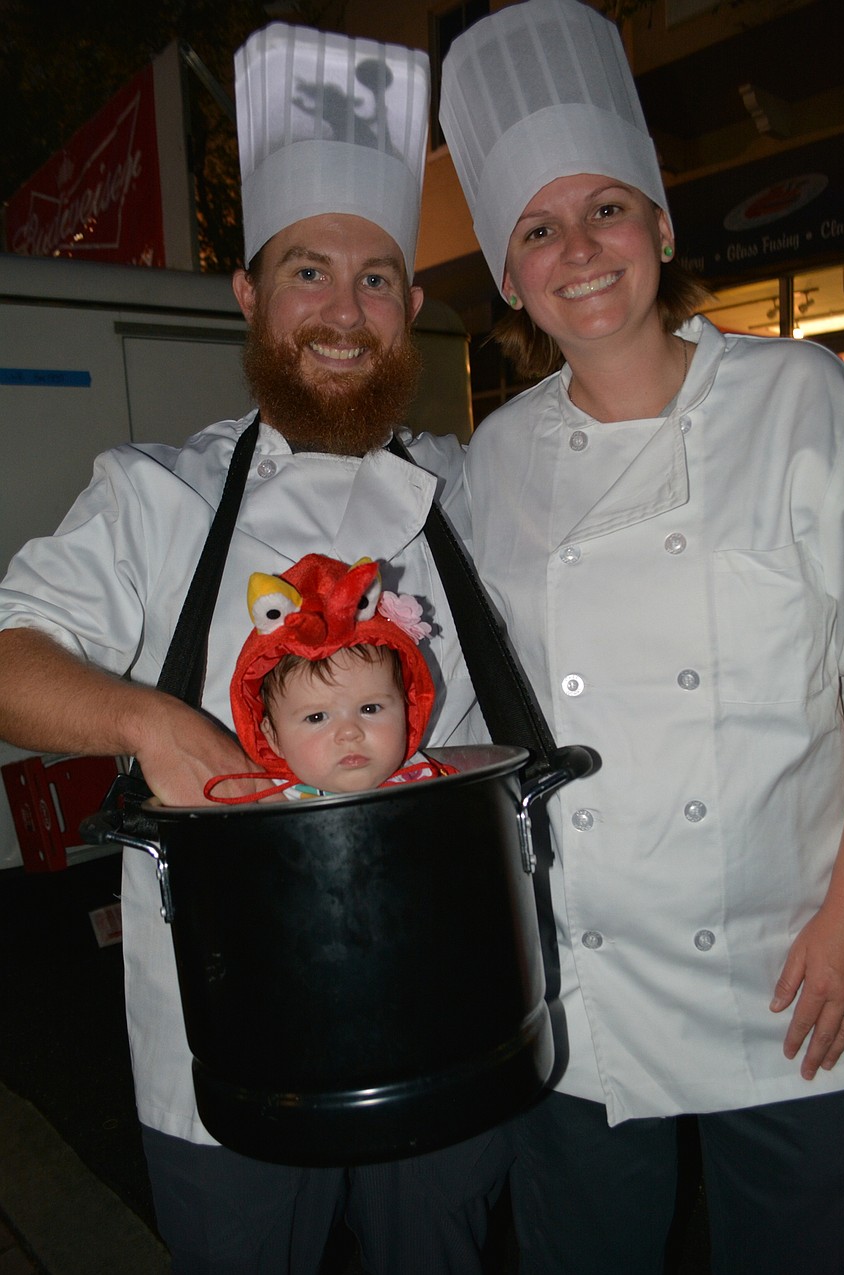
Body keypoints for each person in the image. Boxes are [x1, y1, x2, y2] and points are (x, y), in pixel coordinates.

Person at [0, 22, 511, 1275]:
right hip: (218, 1047)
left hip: (458, 1014)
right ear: (247, 294)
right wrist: (150, 725)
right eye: (306, 273)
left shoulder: (473, 487)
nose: (344, 312)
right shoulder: (156, 495)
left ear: (412, 303)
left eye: (378, 277)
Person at [439, 1, 844, 1272]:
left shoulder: (799, 397)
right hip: (582, 979)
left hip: (794, 961)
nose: (579, 249)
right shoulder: (491, 461)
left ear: (661, 227)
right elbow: (470, 713)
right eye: (538, 229)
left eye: (606, 209)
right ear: (510, 278)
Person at [204, 553, 457, 801]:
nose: (349, 733)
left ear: (405, 707)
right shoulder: (264, 806)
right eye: (316, 717)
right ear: (273, 737)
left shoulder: (435, 786)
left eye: (370, 708)